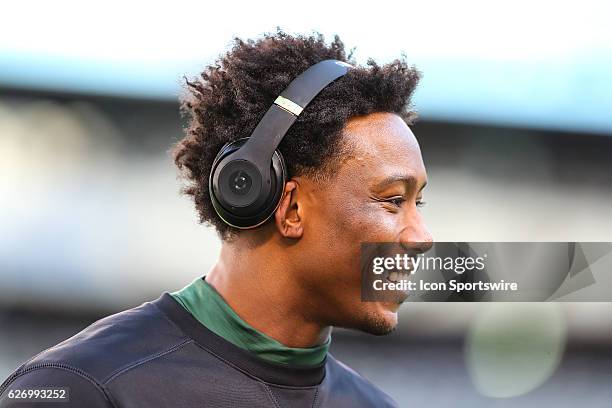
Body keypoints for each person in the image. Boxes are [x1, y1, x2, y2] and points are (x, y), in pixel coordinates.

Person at [0, 30, 431, 407]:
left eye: (419, 204)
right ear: (291, 209)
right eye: (394, 201)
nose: (422, 237)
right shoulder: (81, 389)